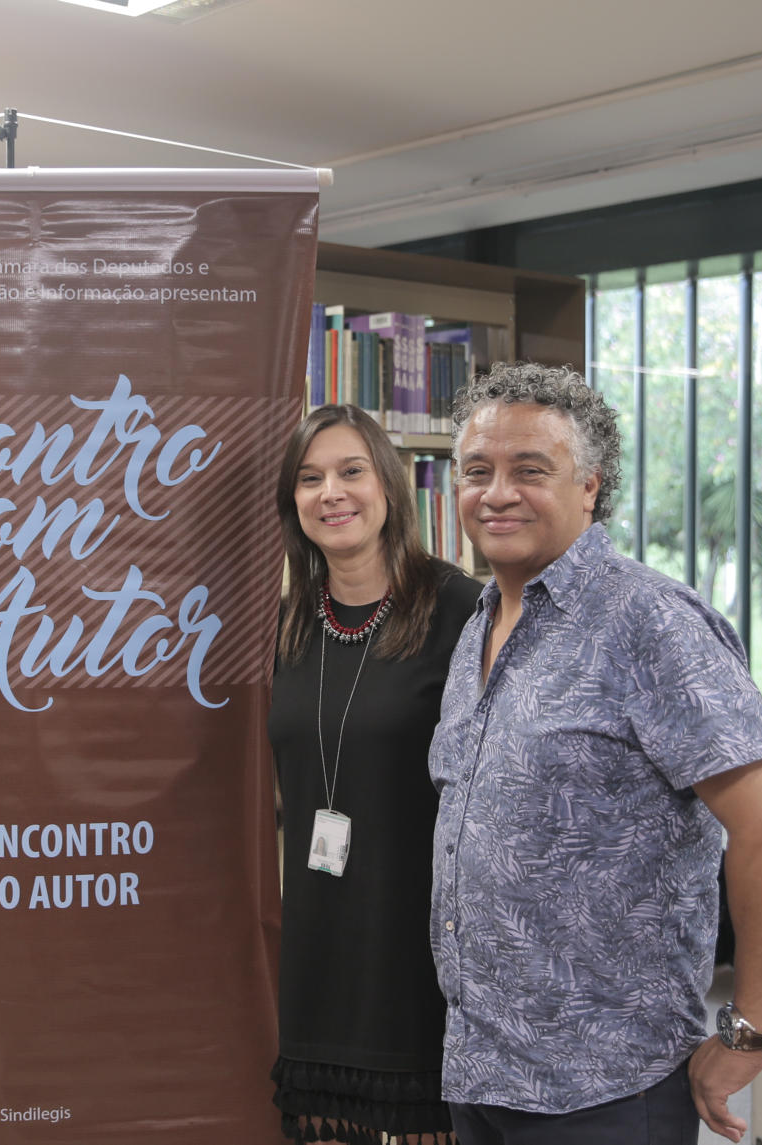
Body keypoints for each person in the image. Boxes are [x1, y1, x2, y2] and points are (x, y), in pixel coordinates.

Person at [429, 364, 762, 1145]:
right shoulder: (481, 621)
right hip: (481, 1071)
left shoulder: (648, 621)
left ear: (590, 488)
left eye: (529, 470)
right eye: (478, 471)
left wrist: (750, 1031)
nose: (497, 492)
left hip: (603, 1089)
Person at [268, 404, 483, 1145]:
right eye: (310, 477)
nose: (331, 491)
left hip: (421, 955)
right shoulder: (289, 626)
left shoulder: (461, 611)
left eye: (351, 470)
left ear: (389, 487)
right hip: (320, 946)